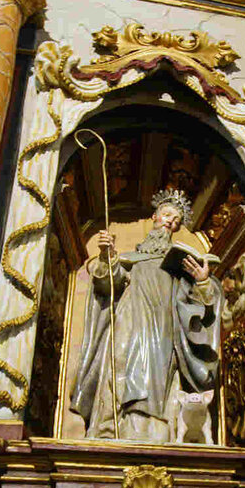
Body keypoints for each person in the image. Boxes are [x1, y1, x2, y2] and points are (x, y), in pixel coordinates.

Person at [69, 188, 222, 442]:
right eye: (166, 216)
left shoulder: (180, 265)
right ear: (154, 216)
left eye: (175, 222)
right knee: (118, 367)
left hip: (163, 328)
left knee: (156, 381)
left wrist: (203, 282)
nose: (169, 223)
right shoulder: (132, 259)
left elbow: (199, 306)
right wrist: (108, 256)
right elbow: (109, 284)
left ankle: (153, 435)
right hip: (129, 319)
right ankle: (109, 429)